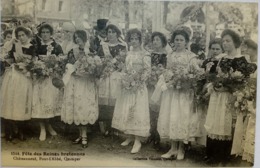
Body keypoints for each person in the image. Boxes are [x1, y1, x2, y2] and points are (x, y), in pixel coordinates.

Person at [152, 29, 202, 160]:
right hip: (172, 92)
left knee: (182, 118)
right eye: (176, 40)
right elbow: (167, 71)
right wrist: (168, 79)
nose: (178, 42)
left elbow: (195, 74)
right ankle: (172, 148)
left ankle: (181, 149)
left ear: (186, 42)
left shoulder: (191, 56)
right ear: (173, 41)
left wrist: (186, 80)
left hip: (184, 93)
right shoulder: (170, 55)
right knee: (171, 117)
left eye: (181, 40)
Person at [204, 29, 250, 165]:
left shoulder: (241, 60)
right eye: (223, 41)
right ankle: (211, 154)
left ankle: (223, 156)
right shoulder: (221, 58)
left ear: (235, 42)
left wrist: (228, 87)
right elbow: (213, 76)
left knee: (226, 124)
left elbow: (242, 82)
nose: (225, 43)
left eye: (228, 41)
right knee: (214, 122)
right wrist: (214, 83)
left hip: (230, 98)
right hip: (217, 96)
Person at [112, 28, 151, 153]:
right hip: (127, 85)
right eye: (131, 39)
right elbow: (125, 68)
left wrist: (138, 80)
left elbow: (147, 70)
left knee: (137, 111)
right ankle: (129, 136)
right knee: (127, 109)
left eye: (136, 39)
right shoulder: (128, 53)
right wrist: (125, 78)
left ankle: (137, 140)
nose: (134, 41)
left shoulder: (145, 54)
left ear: (140, 40)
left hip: (138, 86)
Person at [61, 30, 99, 148]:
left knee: (85, 107)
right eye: (75, 37)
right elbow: (68, 66)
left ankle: (84, 136)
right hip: (76, 82)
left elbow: (95, 69)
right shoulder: (72, 51)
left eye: (80, 37)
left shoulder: (91, 51)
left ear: (85, 37)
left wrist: (90, 72)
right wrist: (72, 71)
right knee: (77, 106)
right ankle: (80, 134)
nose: (77, 39)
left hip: (86, 83)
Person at [0, 26, 36, 141]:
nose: (21, 38)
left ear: (27, 35)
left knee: (21, 102)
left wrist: (27, 65)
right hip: (13, 75)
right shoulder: (15, 46)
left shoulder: (31, 47)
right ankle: (10, 131)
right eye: (19, 36)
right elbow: (9, 58)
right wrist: (9, 61)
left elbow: (32, 62)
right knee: (11, 101)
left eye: (23, 35)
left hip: (24, 77)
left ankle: (21, 131)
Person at [31, 23, 63, 141]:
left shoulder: (56, 46)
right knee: (40, 102)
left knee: (49, 101)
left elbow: (61, 62)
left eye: (47, 32)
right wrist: (37, 68)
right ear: (40, 34)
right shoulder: (36, 46)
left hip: (50, 78)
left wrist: (54, 67)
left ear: (51, 34)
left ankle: (49, 125)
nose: (45, 35)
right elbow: (32, 60)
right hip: (39, 78)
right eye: (42, 33)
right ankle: (42, 128)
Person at [97, 24, 127, 136]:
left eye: (113, 32)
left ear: (117, 34)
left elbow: (124, 62)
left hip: (116, 76)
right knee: (105, 101)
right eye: (109, 32)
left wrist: (119, 67)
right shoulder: (103, 46)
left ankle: (115, 126)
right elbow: (99, 61)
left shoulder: (122, 46)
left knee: (115, 100)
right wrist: (103, 64)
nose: (110, 34)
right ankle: (105, 125)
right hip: (105, 76)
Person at [146, 31, 168, 149]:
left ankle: (158, 135)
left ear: (163, 42)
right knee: (151, 109)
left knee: (159, 109)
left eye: (158, 40)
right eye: (154, 40)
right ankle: (151, 133)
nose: (155, 42)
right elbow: (147, 68)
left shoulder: (166, 55)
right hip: (151, 84)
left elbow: (166, 70)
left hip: (160, 85)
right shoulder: (149, 54)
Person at [241, 39, 257, 164]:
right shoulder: (250, 63)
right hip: (249, 94)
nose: (245, 50)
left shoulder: (257, 64)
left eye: (247, 48)